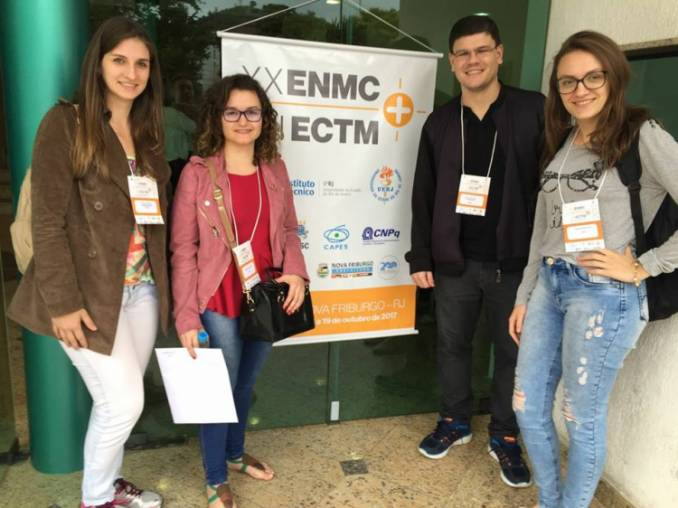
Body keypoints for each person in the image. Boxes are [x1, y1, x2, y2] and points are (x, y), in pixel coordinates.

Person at [509, 31, 678, 508]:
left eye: (592, 77)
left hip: (603, 295)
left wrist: (645, 266)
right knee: (526, 406)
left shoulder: (642, 135)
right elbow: (542, 231)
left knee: (579, 417)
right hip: (549, 284)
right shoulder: (562, 141)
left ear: (613, 78)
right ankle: (550, 501)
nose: (579, 89)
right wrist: (524, 295)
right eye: (567, 81)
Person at [7, 17, 171, 508]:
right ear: (98, 65)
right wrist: (62, 304)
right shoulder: (67, 123)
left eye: (141, 64)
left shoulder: (147, 133)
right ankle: (96, 500)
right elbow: (48, 222)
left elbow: (153, 221)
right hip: (89, 293)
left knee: (115, 403)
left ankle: (109, 484)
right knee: (124, 402)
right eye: (119, 60)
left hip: (141, 290)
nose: (131, 73)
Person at [405, 14, 543, 488]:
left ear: (499, 54)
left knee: (512, 351)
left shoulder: (533, 110)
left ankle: (504, 434)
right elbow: (423, 193)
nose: (473, 60)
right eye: (463, 53)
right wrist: (421, 255)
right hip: (455, 262)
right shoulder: (441, 122)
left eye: (482, 50)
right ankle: (455, 421)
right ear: (451, 62)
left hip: (515, 263)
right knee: (452, 345)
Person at [170, 74, 309, 508]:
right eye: (232, 111)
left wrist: (296, 273)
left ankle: (233, 453)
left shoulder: (275, 168)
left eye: (252, 111)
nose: (243, 120)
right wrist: (186, 315)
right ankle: (215, 477)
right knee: (220, 388)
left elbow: (289, 229)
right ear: (217, 116)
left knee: (245, 384)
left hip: (263, 296)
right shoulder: (197, 174)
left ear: (264, 119)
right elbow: (182, 248)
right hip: (218, 297)